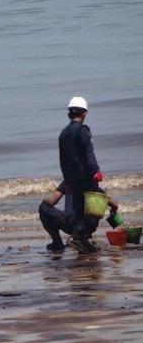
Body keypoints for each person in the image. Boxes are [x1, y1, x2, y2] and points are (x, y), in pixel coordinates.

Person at [58, 96, 102, 254]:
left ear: (69, 114)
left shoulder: (63, 133)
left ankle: (82, 242)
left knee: (79, 208)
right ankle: (78, 237)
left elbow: (62, 160)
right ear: (84, 113)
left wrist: (67, 180)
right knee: (95, 208)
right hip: (85, 176)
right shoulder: (83, 131)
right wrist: (96, 170)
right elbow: (88, 153)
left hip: (72, 177)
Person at [39, 180, 118, 252]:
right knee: (90, 213)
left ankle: (57, 242)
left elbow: (52, 201)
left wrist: (44, 200)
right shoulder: (93, 188)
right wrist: (113, 214)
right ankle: (83, 238)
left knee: (43, 207)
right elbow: (115, 205)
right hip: (86, 228)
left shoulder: (67, 182)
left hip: (68, 224)